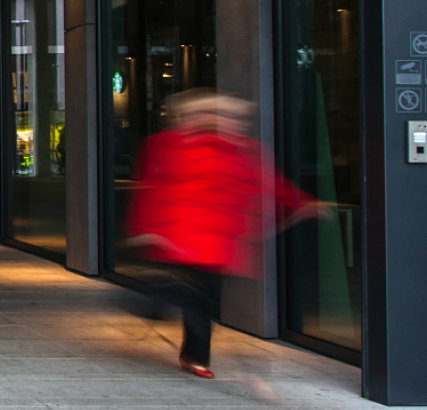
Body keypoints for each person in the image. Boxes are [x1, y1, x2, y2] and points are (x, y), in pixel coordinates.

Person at [123, 89, 326, 379]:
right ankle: (175, 332)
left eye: (230, 116)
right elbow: (151, 191)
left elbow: (270, 183)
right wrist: (143, 229)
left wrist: (302, 202)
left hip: (217, 238)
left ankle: (196, 356)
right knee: (176, 297)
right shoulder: (166, 145)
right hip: (175, 234)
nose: (225, 121)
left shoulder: (244, 150)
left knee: (204, 301)